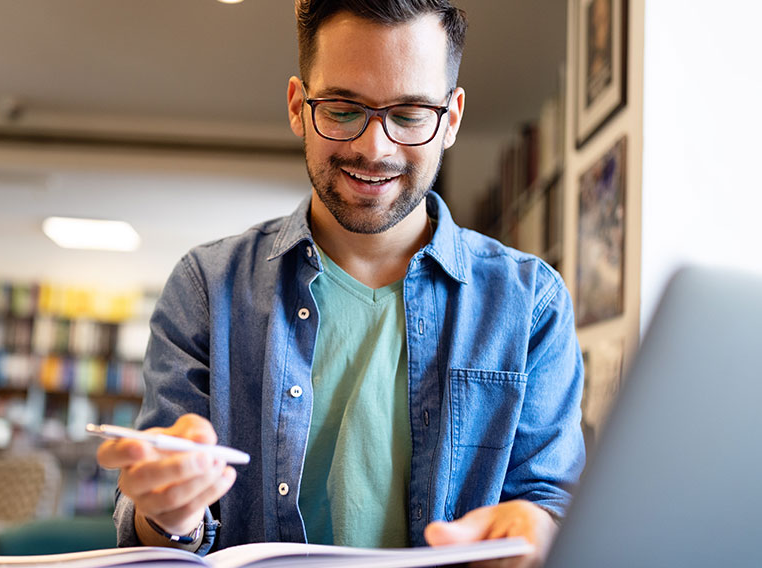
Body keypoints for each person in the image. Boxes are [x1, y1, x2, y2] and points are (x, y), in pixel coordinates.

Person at [97, 1, 584, 565]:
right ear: (298, 106)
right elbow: (151, 533)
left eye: (408, 113)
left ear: (451, 119)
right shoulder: (206, 288)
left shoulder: (531, 305)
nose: (374, 148)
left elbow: (553, 505)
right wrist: (169, 512)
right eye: (343, 108)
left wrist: (541, 531)